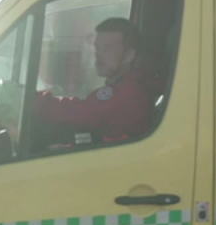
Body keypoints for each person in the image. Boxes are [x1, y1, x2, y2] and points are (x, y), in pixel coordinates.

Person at [32, 17, 161, 144]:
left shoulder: (127, 90)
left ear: (129, 56)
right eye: (97, 48)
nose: (98, 55)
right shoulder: (132, 82)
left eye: (107, 49)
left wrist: (33, 103)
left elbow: (81, 113)